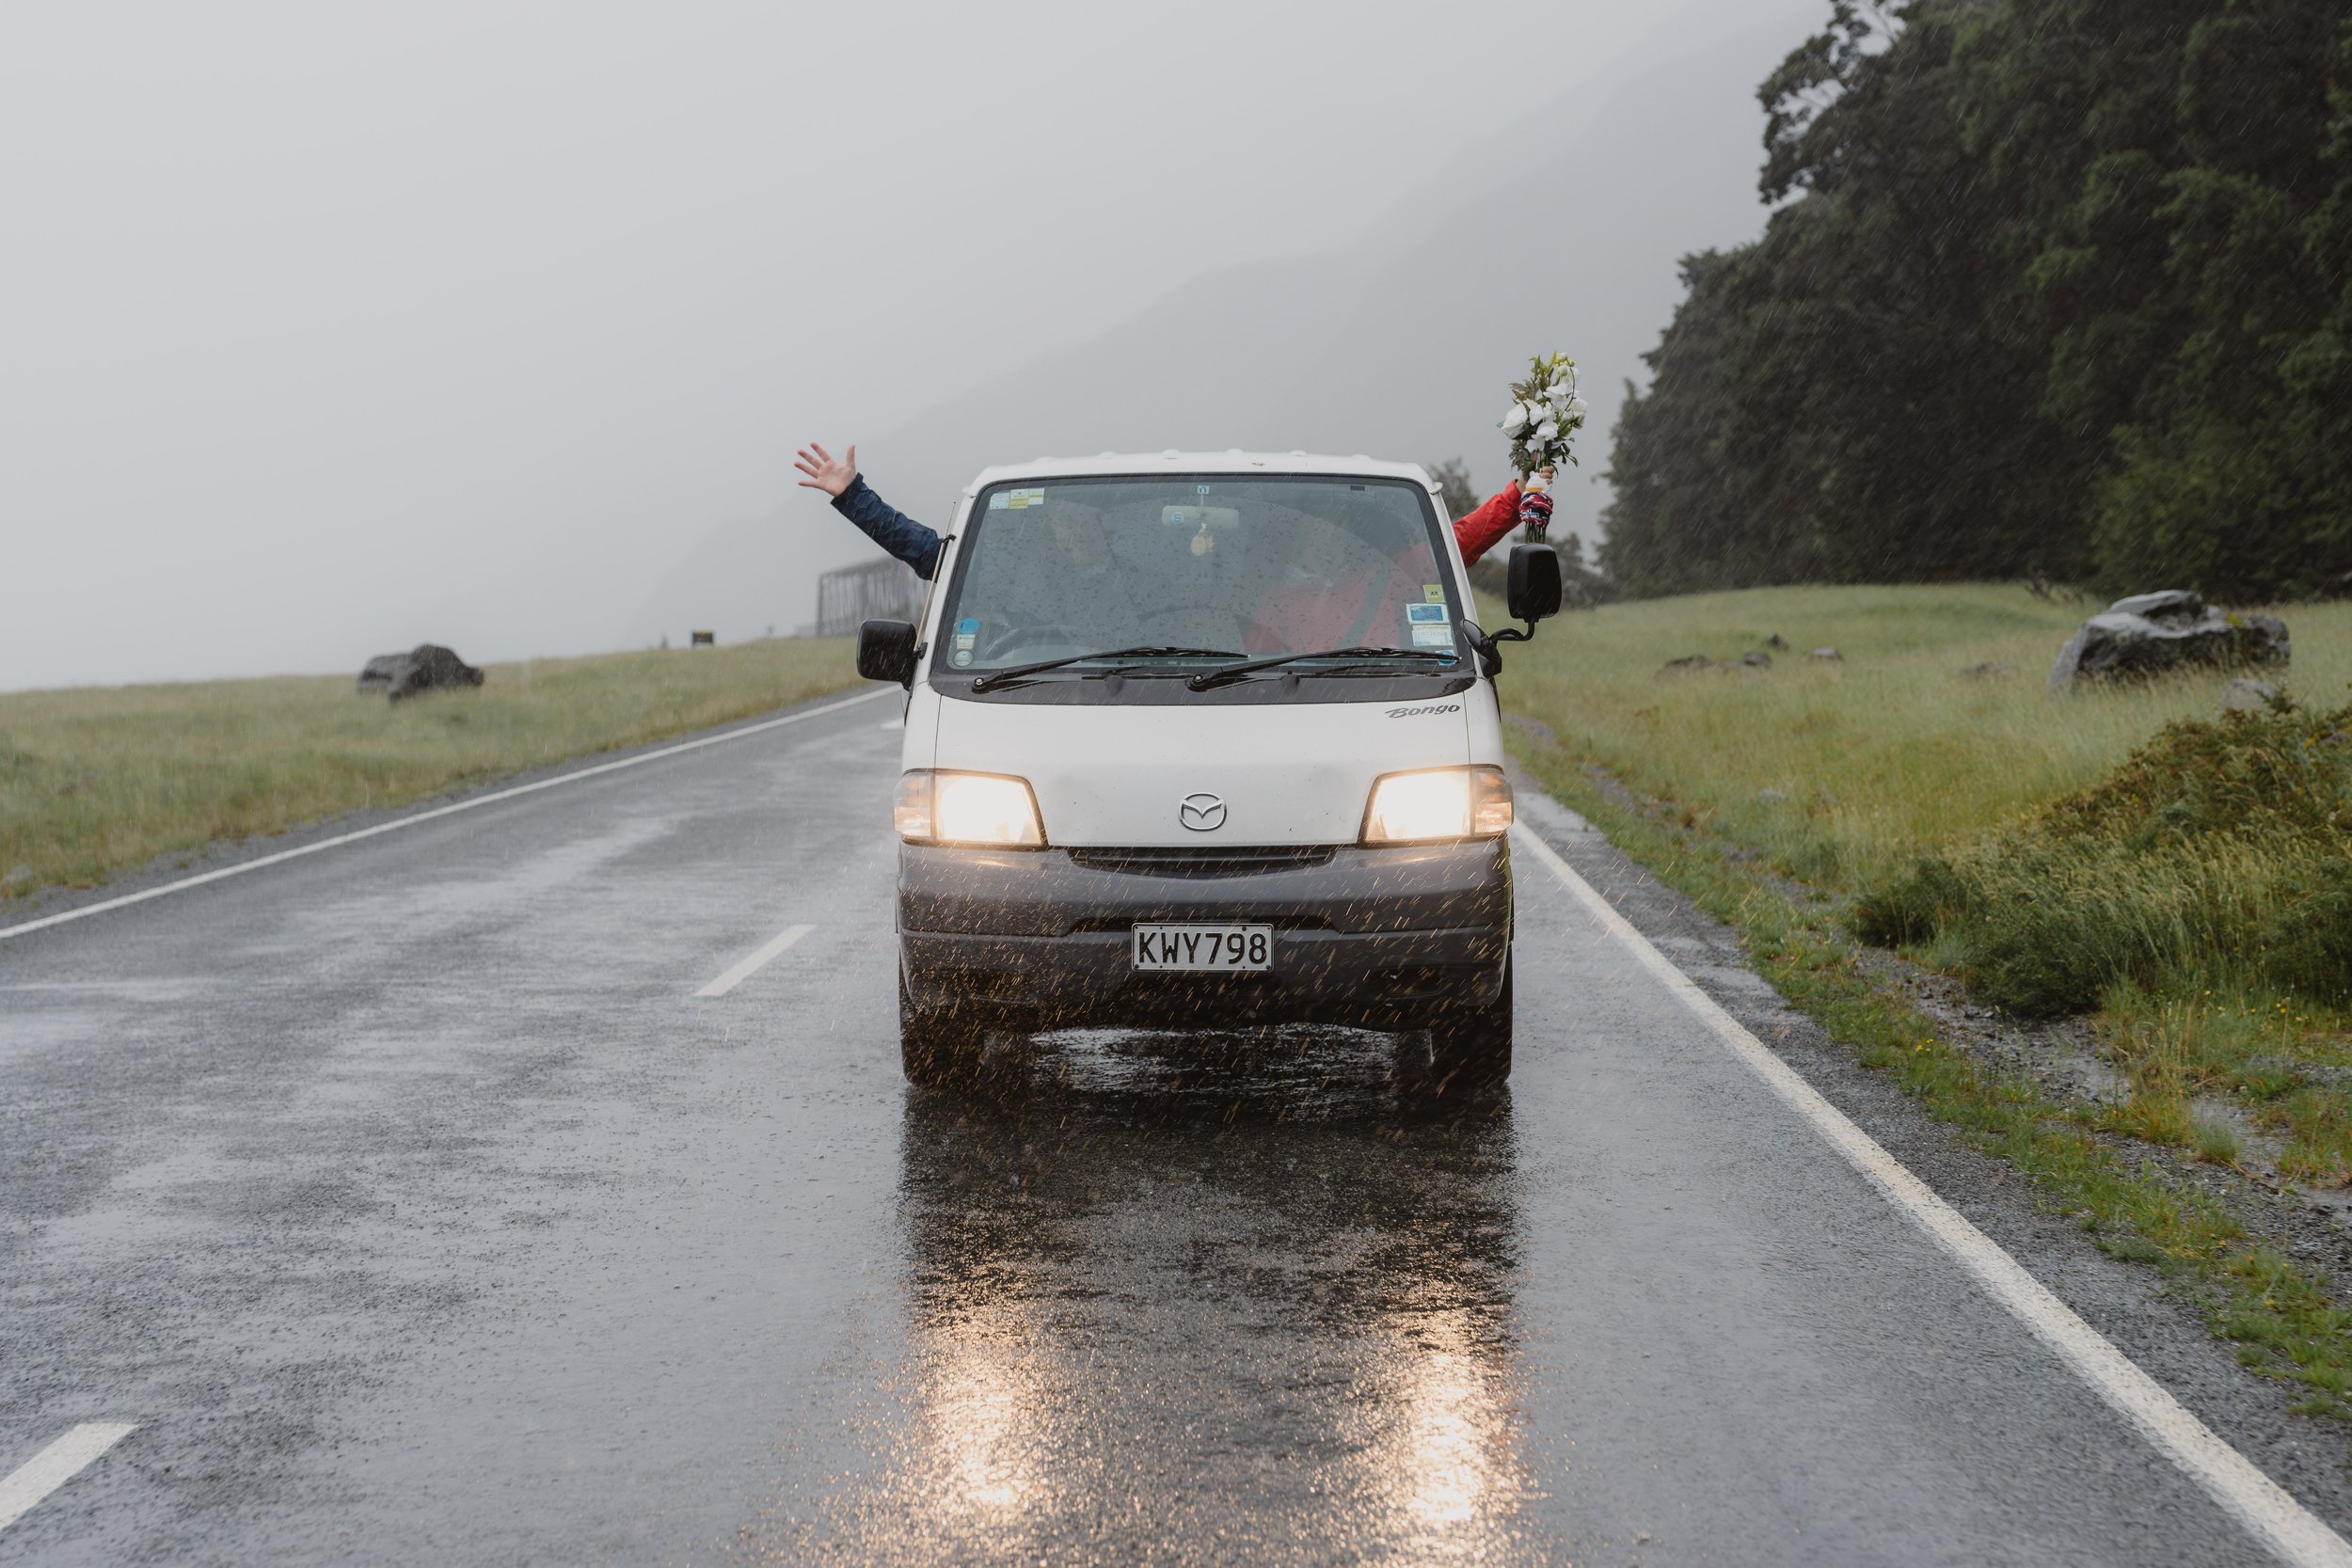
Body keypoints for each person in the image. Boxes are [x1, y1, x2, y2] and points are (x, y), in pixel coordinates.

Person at [794, 440, 1544, 579]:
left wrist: (1517, 499)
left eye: (1084, 519)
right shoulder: (1020, 567)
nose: (1074, 525)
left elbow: (1444, 549)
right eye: (1064, 519)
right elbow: (931, 551)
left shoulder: (1153, 574)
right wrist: (853, 497)